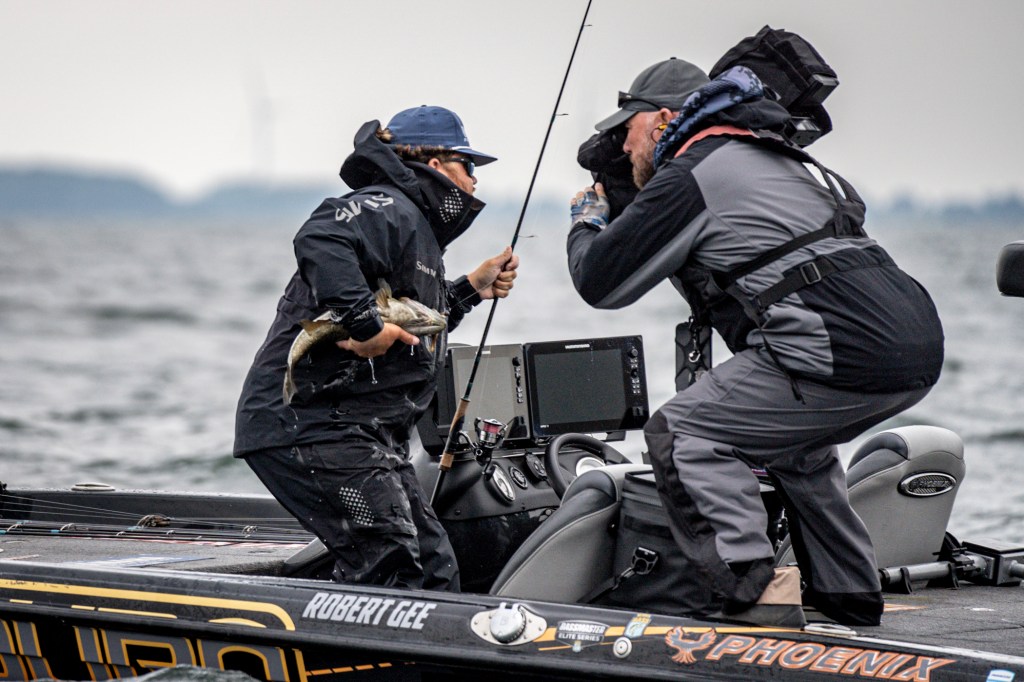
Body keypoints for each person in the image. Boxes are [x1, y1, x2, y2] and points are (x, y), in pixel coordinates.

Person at [566, 57, 944, 625]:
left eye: (629, 129)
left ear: (663, 119)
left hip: (841, 346)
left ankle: (751, 595)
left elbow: (602, 282)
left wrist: (587, 221)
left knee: (681, 432)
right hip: (914, 338)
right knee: (794, 446)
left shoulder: (696, 170)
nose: (623, 146)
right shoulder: (775, 156)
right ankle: (850, 592)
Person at [234, 105, 519, 591]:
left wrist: (472, 288)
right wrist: (365, 327)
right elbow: (322, 235)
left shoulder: (415, 230)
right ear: (436, 165)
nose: (475, 179)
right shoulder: (389, 207)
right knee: (393, 565)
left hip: (361, 434)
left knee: (434, 568)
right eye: (469, 164)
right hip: (313, 427)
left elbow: (412, 320)